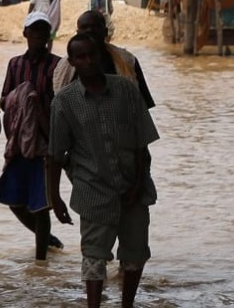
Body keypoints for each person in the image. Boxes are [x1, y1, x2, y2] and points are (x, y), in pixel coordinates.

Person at [48, 35, 161, 308]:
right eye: (81, 57)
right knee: (94, 257)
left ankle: (127, 304)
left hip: (133, 186)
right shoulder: (64, 102)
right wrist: (54, 198)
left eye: (92, 55)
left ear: (102, 56)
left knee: (135, 254)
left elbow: (141, 144)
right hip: (92, 189)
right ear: (72, 62)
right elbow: (54, 155)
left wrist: (137, 183)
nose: (88, 61)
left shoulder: (126, 90)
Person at [0, 12, 65, 262]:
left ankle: (40, 261)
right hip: (19, 142)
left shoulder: (58, 65)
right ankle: (46, 240)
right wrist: (23, 99)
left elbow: (62, 103)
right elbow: (4, 100)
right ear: (25, 34)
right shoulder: (15, 64)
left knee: (41, 204)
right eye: (34, 32)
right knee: (13, 200)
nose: (39, 38)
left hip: (45, 142)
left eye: (43, 33)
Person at [54, 10, 156, 109]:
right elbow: (58, 107)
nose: (90, 30)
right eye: (85, 27)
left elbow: (143, 105)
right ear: (77, 33)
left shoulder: (128, 60)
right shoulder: (64, 67)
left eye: (96, 26)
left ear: (106, 32)